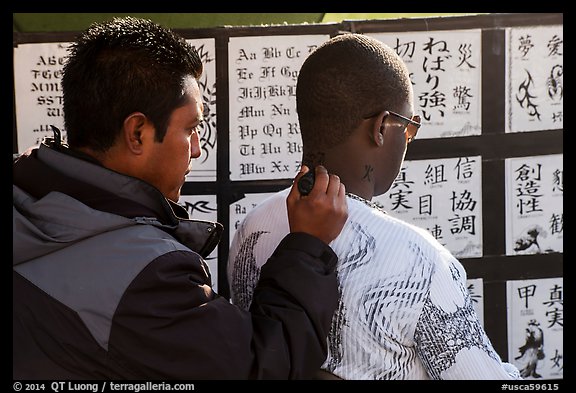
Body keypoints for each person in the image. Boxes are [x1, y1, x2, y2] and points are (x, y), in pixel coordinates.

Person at [13, 17, 348, 380]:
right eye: (190, 129)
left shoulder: (26, 195)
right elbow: (260, 367)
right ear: (137, 133)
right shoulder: (144, 276)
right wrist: (308, 246)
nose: (197, 149)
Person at [228, 33, 521, 380]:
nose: (407, 140)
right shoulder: (421, 260)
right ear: (381, 127)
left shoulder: (252, 227)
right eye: (409, 129)